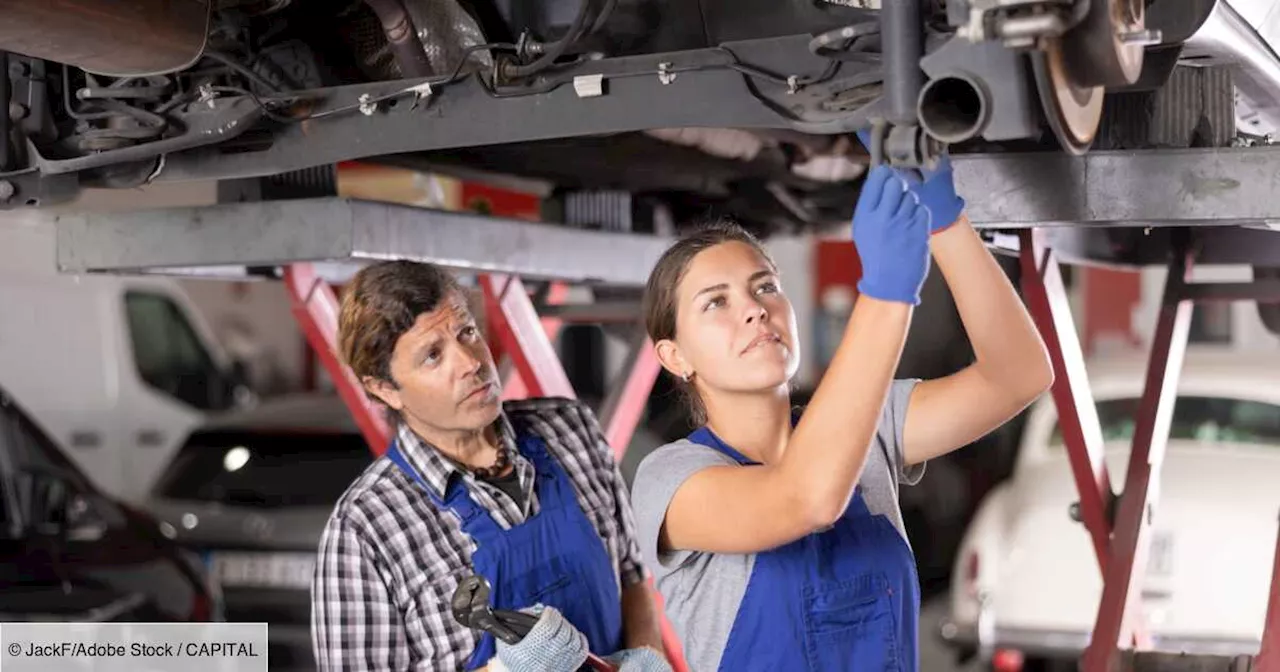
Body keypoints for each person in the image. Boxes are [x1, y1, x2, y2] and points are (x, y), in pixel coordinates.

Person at [630, 153, 1055, 671]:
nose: (754, 307)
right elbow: (805, 499)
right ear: (676, 357)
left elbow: (1019, 375)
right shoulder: (671, 480)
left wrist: (946, 220)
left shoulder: (866, 427)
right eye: (715, 302)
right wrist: (887, 292)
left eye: (765, 286)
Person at [311, 260, 672, 672]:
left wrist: (649, 655)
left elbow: (630, 575)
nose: (470, 362)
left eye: (467, 332)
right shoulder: (365, 529)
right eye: (432, 355)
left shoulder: (571, 430)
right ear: (385, 389)